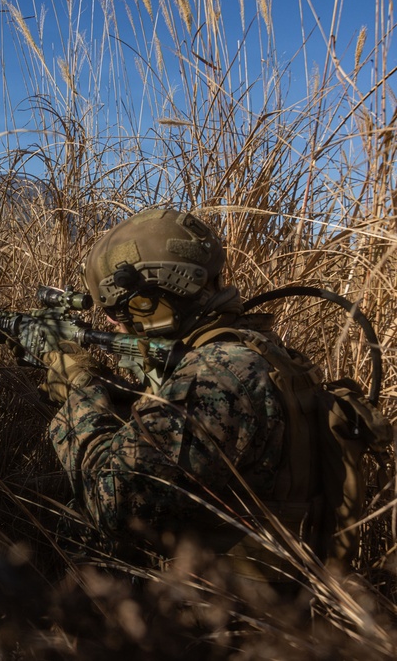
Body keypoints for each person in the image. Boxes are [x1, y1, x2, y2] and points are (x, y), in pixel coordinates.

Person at [40, 207, 362, 591]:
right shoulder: (256, 351)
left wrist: (78, 391)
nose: (112, 322)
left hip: (219, 622)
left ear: (159, 299)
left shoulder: (220, 373)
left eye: (117, 308)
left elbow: (115, 505)